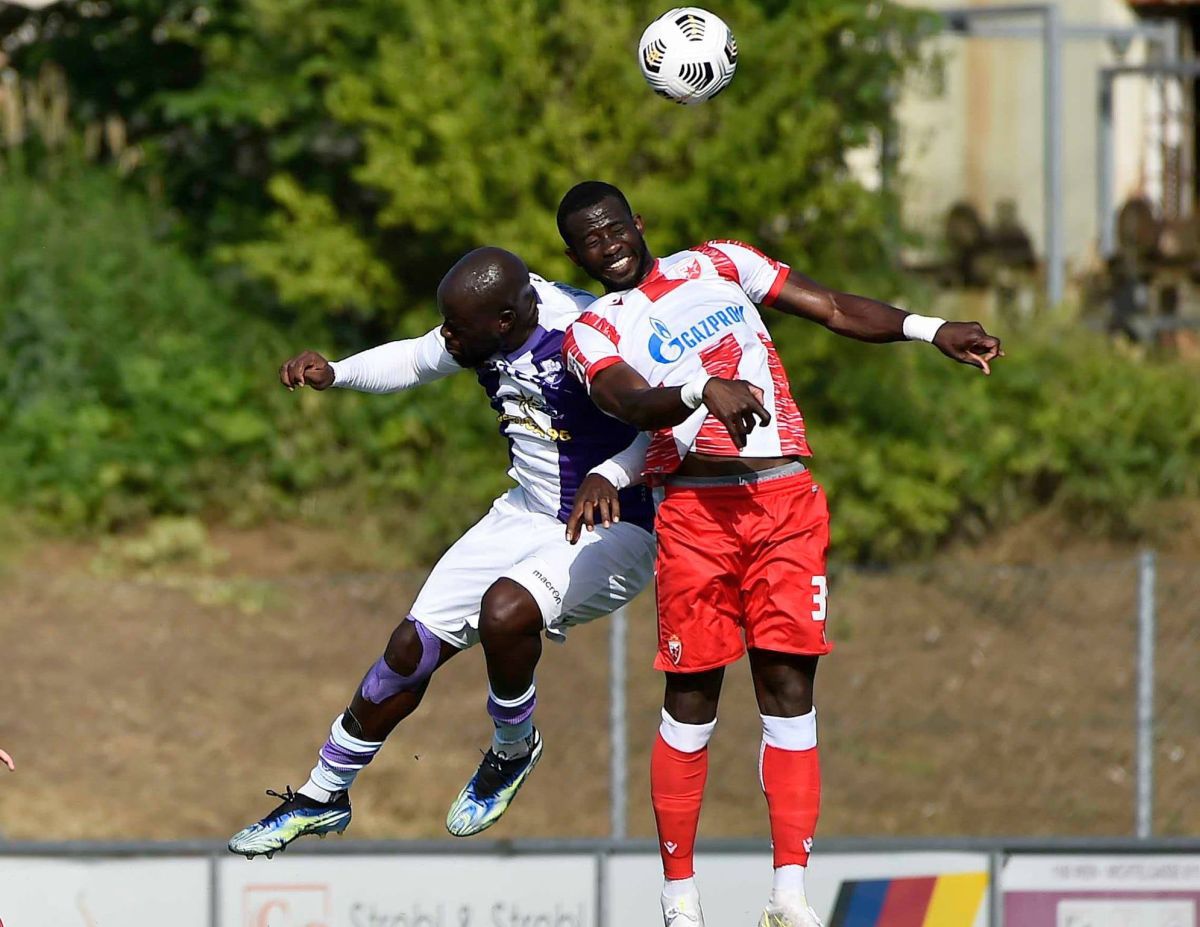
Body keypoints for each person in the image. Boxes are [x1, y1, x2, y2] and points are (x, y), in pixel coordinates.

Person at [555, 182, 1003, 927]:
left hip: (783, 500)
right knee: (692, 696)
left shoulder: (720, 261)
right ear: (576, 254)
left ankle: (789, 894)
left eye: (613, 228)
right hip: (695, 510)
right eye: (589, 241)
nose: (607, 245)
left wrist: (930, 329)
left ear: (637, 223)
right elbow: (631, 401)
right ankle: (679, 897)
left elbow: (830, 307)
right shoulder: (594, 328)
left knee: (790, 690)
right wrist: (703, 389)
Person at [227, 247, 656, 857]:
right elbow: (416, 356)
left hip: (616, 522)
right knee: (410, 648)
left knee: (504, 611)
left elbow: (665, 424)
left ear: (506, 321)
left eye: (458, 327)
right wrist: (337, 371)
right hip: (526, 512)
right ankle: (323, 796)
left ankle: (512, 751)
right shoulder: (483, 325)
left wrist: (613, 475)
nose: (448, 336)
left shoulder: (590, 331)